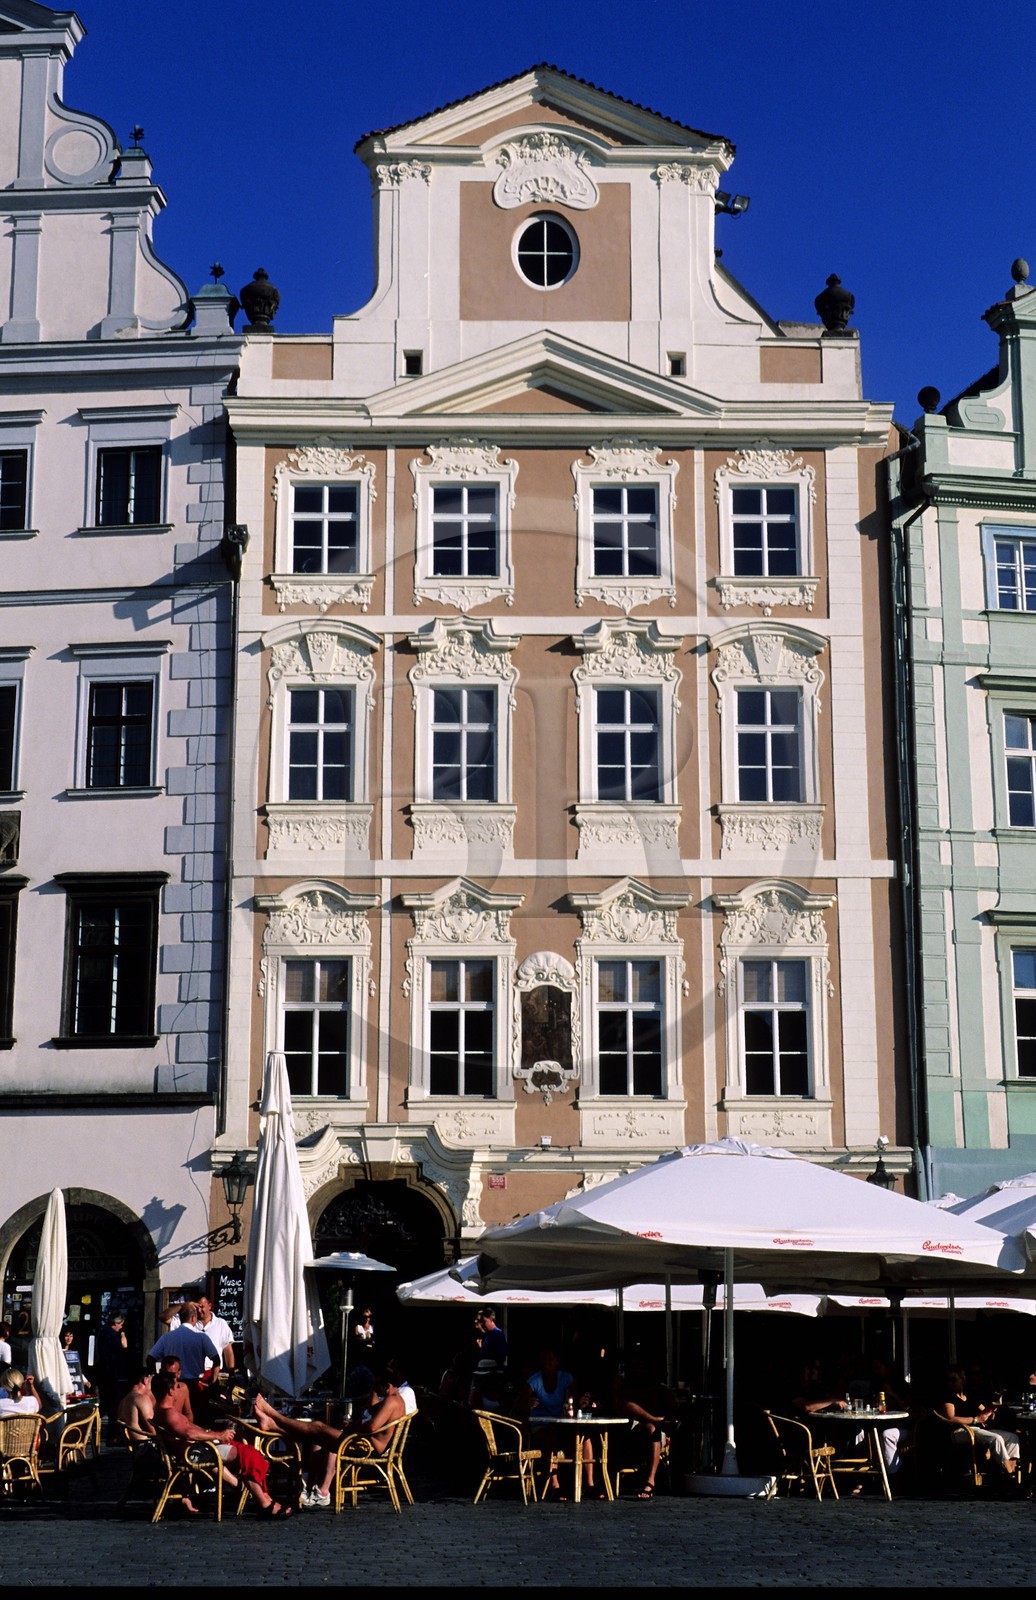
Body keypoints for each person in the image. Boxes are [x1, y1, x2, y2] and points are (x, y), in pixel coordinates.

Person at [252, 1359, 416, 1510]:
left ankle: (275, 1416)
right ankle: (273, 1425)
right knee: (315, 1436)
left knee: (317, 1427)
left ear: (387, 1386)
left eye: (378, 1387)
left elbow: (372, 1427)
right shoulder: (393, 1399)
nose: (377, 1391)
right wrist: (374, 1389)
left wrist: (352, 1428)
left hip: (365, 1447)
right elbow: (372, 1410)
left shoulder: (392, 1400)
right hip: (361, 1443)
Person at [151, 1371, 289, 1517]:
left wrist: (212, 1434)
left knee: (248, 1452)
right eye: (177, 1386)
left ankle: (263, 1497)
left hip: (198, 1449)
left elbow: (189, 1430)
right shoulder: (169, 1414)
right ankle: (264, 1503)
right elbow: (189, 1433)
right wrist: (218, 1435)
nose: (180, 1389)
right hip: (196, 1452)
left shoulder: (164, 1411)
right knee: (247, 1456)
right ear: (171, 1391)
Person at [521, 1347, 599, 1499]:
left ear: (558, 1361)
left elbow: (576, 1400)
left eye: (551, 1358)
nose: (548, 1362)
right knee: (551, 1438)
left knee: (585, 1438)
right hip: (540, 1425)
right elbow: (518, 1404)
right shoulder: (534, 1381)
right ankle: (554, 1485)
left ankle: (590, 1484)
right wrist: (528, 1403)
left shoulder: (565, 1378)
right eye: (545, 1358)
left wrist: (582, 1402)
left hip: (561, 1423)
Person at [937, 1366, 1020, 1479]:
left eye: (953, 1380)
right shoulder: (948, 1398)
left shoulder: (970, 1396)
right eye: (948, 1380)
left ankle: (1009, 1475)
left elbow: (984, 1410)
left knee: (1012, 1438)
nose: (950, 1383)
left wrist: (990, 1412)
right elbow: (950, 1417)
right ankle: (1011, 1478)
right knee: (996, 1439)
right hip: (960, 1431)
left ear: (963, 1379)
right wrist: (975, 1419)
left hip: (977, 1429)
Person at [148, 1304, 221, 1389]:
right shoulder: (201, 1337)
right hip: (194, 1385)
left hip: (171, 1385)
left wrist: (155, 1377)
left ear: (180, 1318)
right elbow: (216, 1359)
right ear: (194, 1318)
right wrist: (213, 1380)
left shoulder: (166, 1337)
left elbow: (150, 1359)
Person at [116, 1371, 156, 1441]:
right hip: (146, 1446)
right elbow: (153, 1429)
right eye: (152, 1381)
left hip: (134, 1445)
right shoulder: (142, 1399)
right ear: (145, 1380)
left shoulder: (123, 1400)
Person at [159, 1357, 194, 1423]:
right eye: (166, 1374)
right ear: (161, 1372)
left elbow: (188, 1413)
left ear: (179, 1373)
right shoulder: (155, 1389)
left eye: (172, 1375)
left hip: (181, 1427)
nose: (169, 1378)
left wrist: (189, 1426)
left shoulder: (183, 1388)